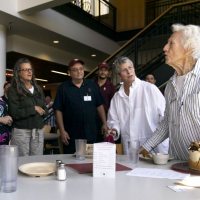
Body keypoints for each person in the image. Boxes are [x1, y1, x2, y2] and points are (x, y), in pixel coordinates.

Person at [140, 24, 200, 161]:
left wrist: (194, 157)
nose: (164, 48)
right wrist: (145, 148)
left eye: (171, 43)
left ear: (188, 48)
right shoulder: (170, 86)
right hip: (175, 165)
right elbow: (167, 123)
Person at [107, 56, 169, 154]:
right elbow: (113, 120)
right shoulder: (117, 97)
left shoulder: (150, 89)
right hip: (130, 148)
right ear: (119, 74)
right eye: (124, 70)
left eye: (130, 67)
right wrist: (114, 130)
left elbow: (165, 117)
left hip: (154, 148)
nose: (129, 71)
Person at [53, 58, 107, 154]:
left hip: (92, 133)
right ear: (69, 72)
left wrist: (104, 123)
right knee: (71, 163)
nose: (79, 72)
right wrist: (62, 130)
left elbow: (99, 105)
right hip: (72, 135)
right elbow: (58, 110)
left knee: (91, 161)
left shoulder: (92, 85)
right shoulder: (63, 88)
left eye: (81, 69)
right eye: (75, 69)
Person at [8, 58, 47, 156]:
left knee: (37, 163)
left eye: (30, 69)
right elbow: (14, 113)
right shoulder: (14, 90)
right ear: (19, 72)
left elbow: (44, 108)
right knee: (22, 162)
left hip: (38, 131)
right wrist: (33, 109)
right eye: (25, 70)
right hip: (21, 132)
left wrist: (42, 116)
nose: (29, 72)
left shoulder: (38, 89)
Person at [95, 62, 115, 142]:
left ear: (108, 73)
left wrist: (107, 122)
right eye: (101, 70)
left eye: (105, 70)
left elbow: (112, 106)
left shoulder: (111, 87)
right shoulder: (91, 84)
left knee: (103, 142)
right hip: (91, 118)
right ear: (98, 71)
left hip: (105, 119)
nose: (103, 72)